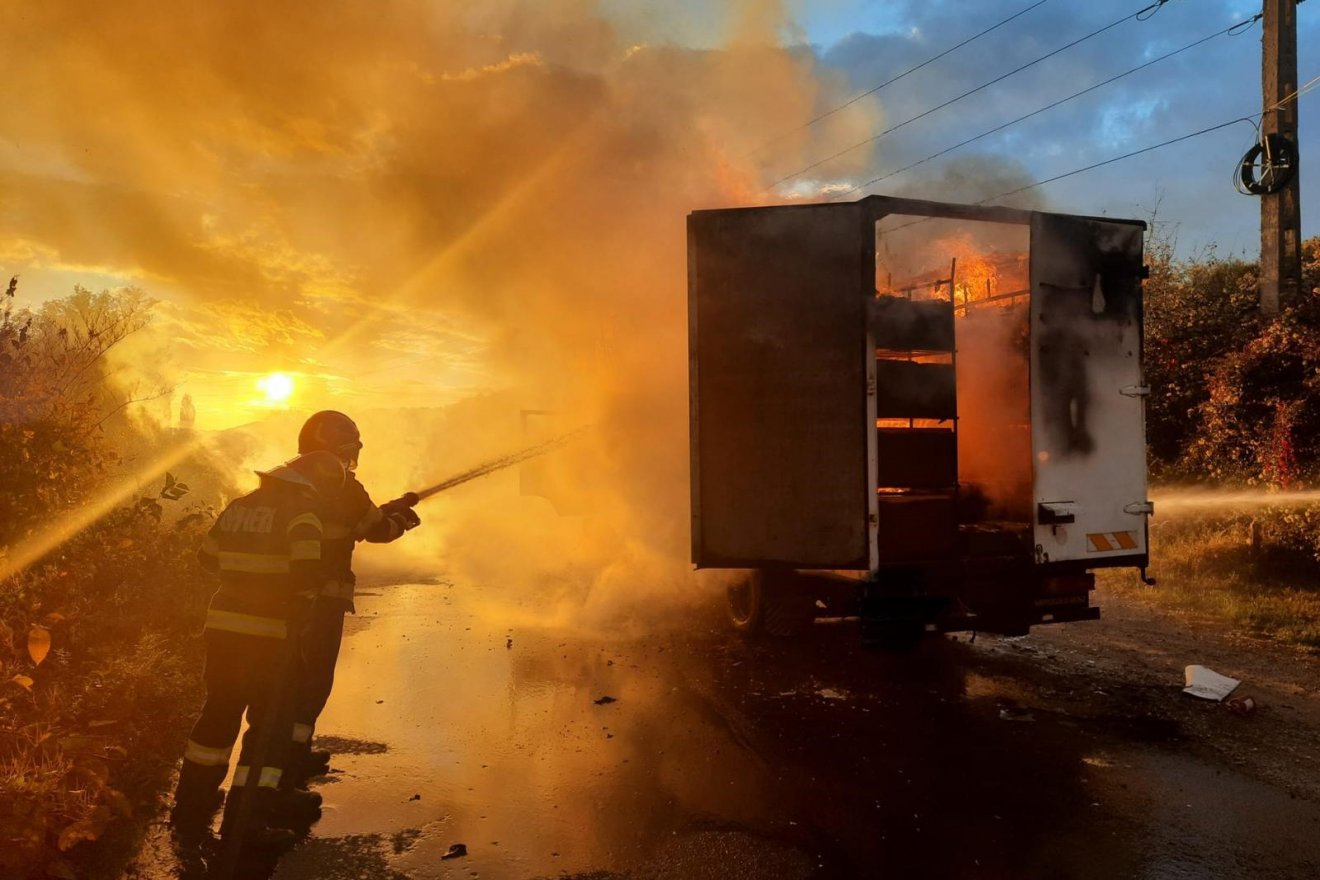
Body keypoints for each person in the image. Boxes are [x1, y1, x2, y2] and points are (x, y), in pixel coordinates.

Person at [170, 450, 344, 852]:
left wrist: (244, 578)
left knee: (217, 716)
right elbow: (306, 577)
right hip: (272, 638)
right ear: (312, 485)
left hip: (224, 630)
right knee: (269, 730)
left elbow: (206, 558)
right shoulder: (302, 515)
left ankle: (190, 808)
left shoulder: (239, 506)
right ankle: (247, 826)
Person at [286, 411, 420, 783]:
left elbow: (355, 521)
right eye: (346, 450)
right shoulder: (343, 486)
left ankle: (286, 755)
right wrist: (401, 520)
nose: (350, 459)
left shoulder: (287, 479)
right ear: (328, 449)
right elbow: (376, 530)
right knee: (312, 682)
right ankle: (290, 763)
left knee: (284, 681)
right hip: (323, 602)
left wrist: (384, 510)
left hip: (282, 602)